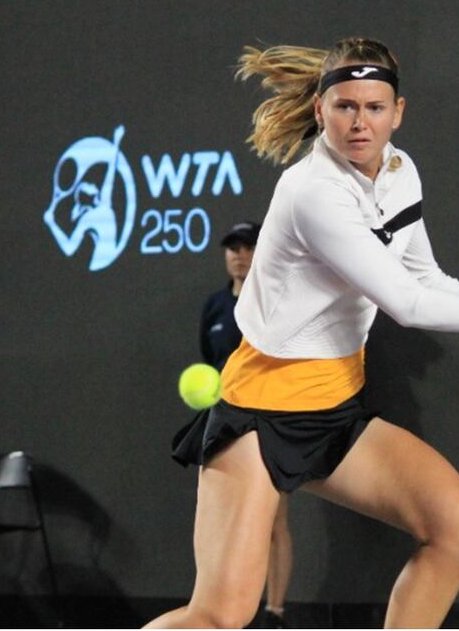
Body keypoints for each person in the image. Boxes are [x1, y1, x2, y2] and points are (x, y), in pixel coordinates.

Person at [149, 37, 459, 629]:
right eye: (346, 107)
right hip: (260, 415)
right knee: (219, 616)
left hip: (335, 410)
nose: (361, 123)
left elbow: (425, 276)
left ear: (397, 112)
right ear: (320, 110)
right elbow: (406, 303)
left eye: (375, 108)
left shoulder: (401, 173)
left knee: (456, 525)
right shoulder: (313, 191)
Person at [198, 220, 293, 628]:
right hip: (225, 422)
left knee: (273, 520)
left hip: (270, 419)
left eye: (249, 247)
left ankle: (274, 612)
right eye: (233, 248)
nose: (240, 255)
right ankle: (218, 609)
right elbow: (209, 363)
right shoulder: (215, 307)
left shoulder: (277, 300)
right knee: (223, 521)